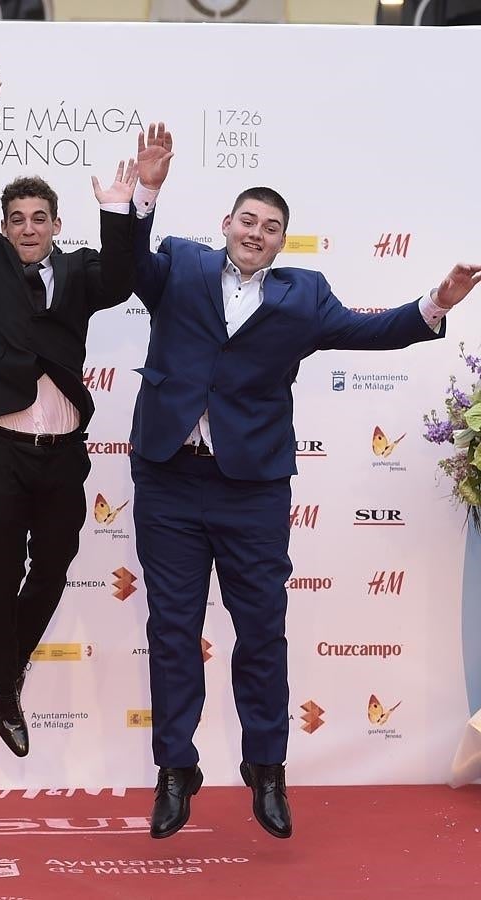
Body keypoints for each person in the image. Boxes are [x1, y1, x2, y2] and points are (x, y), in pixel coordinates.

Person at [129, 122, 481, 839]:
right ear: (226, 224)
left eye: (272, 227)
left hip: (252, 489)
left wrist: (436, 302)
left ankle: (267, 769)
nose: (257, 233)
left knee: (261, 632)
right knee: (171, 631)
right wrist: (145, 192)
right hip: (168, 479)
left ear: (282, 242)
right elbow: (125, 266)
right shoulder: (180, 266)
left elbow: (370, 329)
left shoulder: (302, 295)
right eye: (248, 220)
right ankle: (176, 769)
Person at [0, 60, 135, 757]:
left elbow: (123, 276)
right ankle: (5, 689)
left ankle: (5, 666)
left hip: (64, 456)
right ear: (5, 226)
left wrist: (123, 208)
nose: (28, 229)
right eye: (17, 220)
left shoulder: (83, 271)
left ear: (58, 224)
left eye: (39, 219)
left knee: (53, 564)